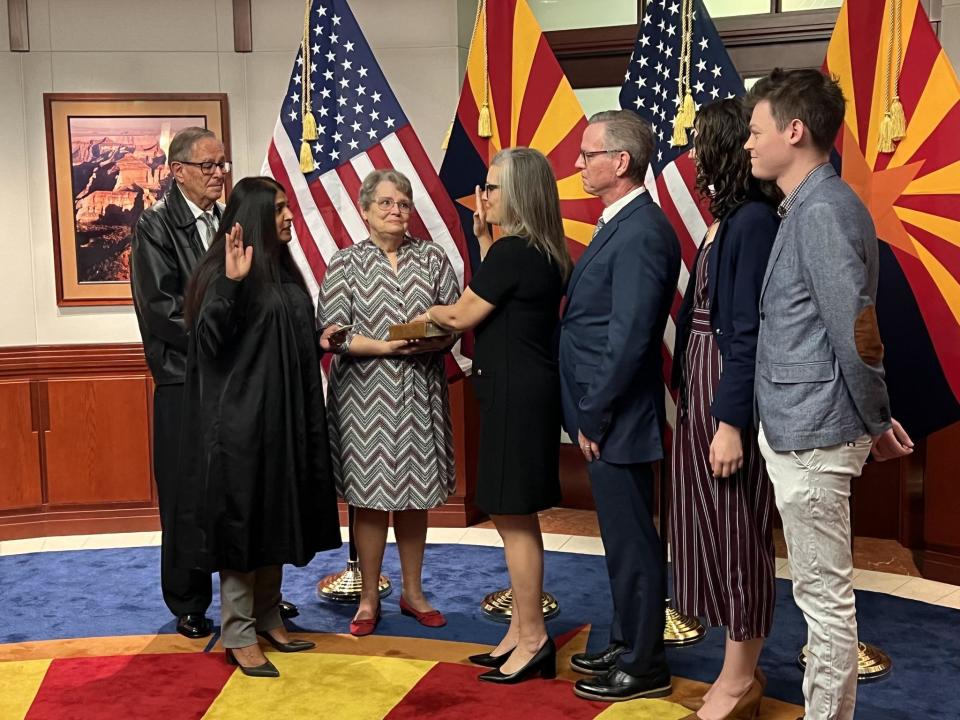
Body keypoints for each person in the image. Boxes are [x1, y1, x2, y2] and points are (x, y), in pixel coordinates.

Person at [745, 68, 914, 720]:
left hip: (815, 432)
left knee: (823, 596)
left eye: (757, 132)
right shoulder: (811, 205)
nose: (749, 145)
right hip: (802, 426)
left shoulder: (821, 212)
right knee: (820, 592)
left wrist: (876, 420)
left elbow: (855, 332)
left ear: (795, 130)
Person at [175, 176, 342, 677]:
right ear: (251, 219)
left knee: (275, 518)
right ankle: (238, 632)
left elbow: (277, 344)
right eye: (280, 210)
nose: (290, 217)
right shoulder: (223, 272)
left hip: (283, 421)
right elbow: (207, 343)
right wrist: (230, 279)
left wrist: (318, 339)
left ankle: (269, 617)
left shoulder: (283, 273)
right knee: (242, 527)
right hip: (241, 428)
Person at [418, 147, 571, 684]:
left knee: (514, 518)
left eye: (493, 187)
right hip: (522, 392)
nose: (482, 197)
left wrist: (430, 313)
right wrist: (484, 240)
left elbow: (462, 314)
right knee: (513, 517)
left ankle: (532, 638)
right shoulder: (535, 250)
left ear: (521, 194)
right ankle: (518, 633)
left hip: (515, 396)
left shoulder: (516, 253)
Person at [560, 110, 681, 702]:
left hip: (617, 418)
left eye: (588, 154)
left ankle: (645, 662)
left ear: (620, 162)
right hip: (609, 413)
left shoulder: (641, 229)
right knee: (623, 541)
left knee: (633, 542)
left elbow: (631, 337)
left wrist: (594, 412)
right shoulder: (622, 222)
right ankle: (625, 640)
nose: (579, 164)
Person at [669, 99, 781, 720]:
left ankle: (740, 678)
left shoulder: (754, 222)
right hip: (703, 389)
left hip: (728, 395)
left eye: (697, 141)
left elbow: (749, 332)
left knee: (738, 534)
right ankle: (735, 666)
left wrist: (732, 421)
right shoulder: (727, 219)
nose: (690, 153)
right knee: (709, 531)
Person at [316, 169, 459, 637]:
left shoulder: (433, 257)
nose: (396, 211)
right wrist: (382, 347)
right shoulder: (344, 263)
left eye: (403, 203)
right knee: (371, 499)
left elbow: (454, 319)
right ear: (364, 209)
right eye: (386, 203)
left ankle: (413, 592)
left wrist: (435, 339)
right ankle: (369, 597)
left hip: (420, 390)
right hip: (363, 398)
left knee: (415, 497)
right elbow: (332, 332)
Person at [130, 127, 224, 638]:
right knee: (185, 495)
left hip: (231, 381)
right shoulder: (155, 227)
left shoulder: (230, 222)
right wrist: (224, 339)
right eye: (206, 166)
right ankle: (189, 601)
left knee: (233, 488)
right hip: (182, 380)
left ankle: (249, 591)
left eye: (221, 165)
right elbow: (163, 309)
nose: (216, 175)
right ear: (178, 170)